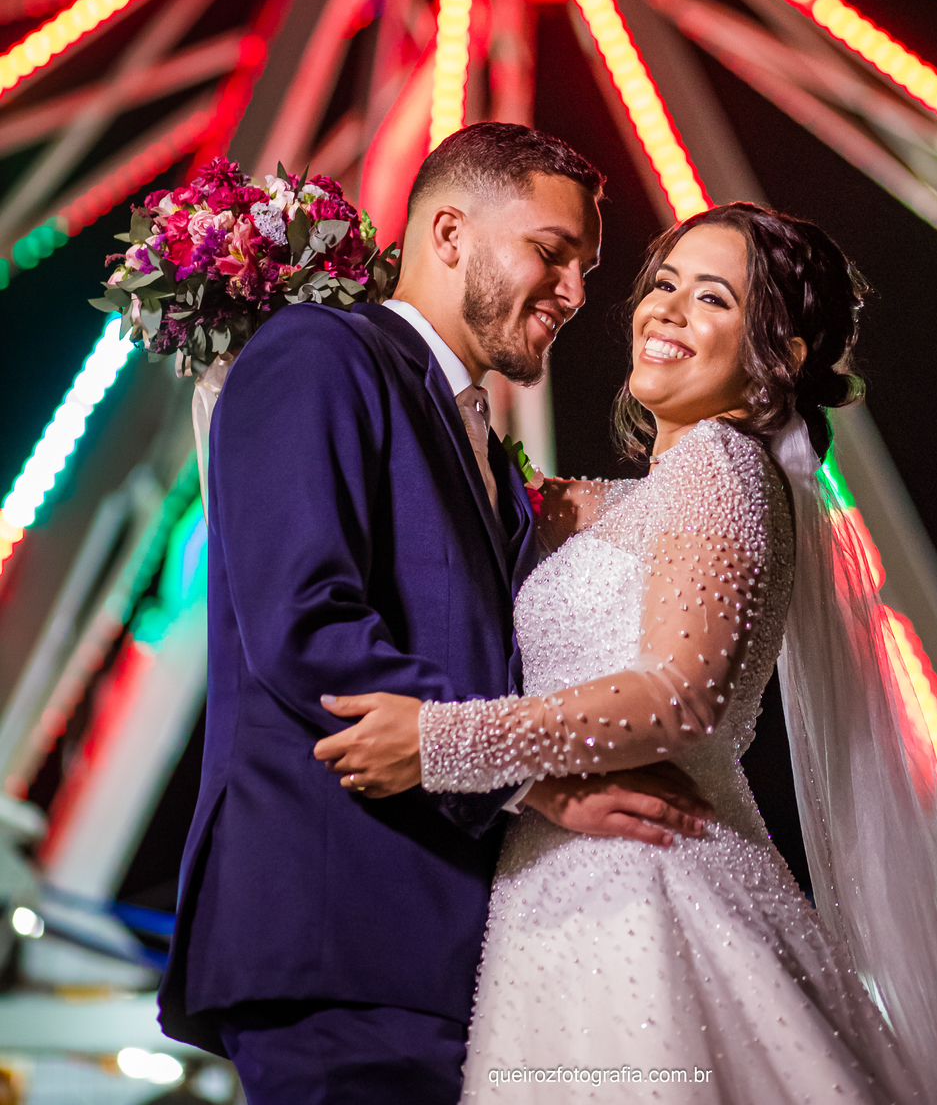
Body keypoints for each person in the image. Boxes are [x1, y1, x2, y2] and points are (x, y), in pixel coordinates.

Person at [317, 203, 937, 1104]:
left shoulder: (725, 465)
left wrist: (442, 744)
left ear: (782, 356)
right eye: (662, 284)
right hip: (573, 889)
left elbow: (680, 699)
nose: (667, 311)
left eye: (711, 298)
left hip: (652, 886)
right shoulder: (639, 499)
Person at [159, 124, 713, 1104]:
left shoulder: (486, 450)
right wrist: (530, 776)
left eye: (585, 268)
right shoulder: (315, 354)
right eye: (551, 252)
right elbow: (304, 624)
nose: (577, 294)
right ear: (449, 232)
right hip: (340, 926)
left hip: (453, 948)